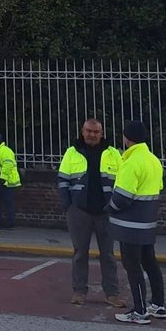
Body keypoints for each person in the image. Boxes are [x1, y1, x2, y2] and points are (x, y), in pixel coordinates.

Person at [58, 119, 126, 308]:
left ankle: (112, 294)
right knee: (80, 253)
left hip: (106, 212)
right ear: (82, 131)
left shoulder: (113, 153)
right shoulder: (72, 152)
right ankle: (79, 291)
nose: (92, 135)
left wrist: (115, 206)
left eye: (96, 132)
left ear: (102, 133)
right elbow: (63, 181)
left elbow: (122, 181)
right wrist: (68, 207)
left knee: (108, 255)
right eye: (88, 131)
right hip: (79, 211)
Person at [109, 120, 166, 325]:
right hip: (148, 221)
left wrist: (110, 208)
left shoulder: (131, 161)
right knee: (150, 263)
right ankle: (158, 304)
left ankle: (140, 310)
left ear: (127, 138)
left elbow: (123, 197)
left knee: (132, 266)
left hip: (130, 224)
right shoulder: (153, 160)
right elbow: (157, 187)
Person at [0, 132, 20, 228]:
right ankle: (0, 221)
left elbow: (8, 165)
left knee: (7, 203)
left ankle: (11, 223)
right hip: (2, 182)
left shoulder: (4, 151)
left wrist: (3, 178)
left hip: (8, 182)